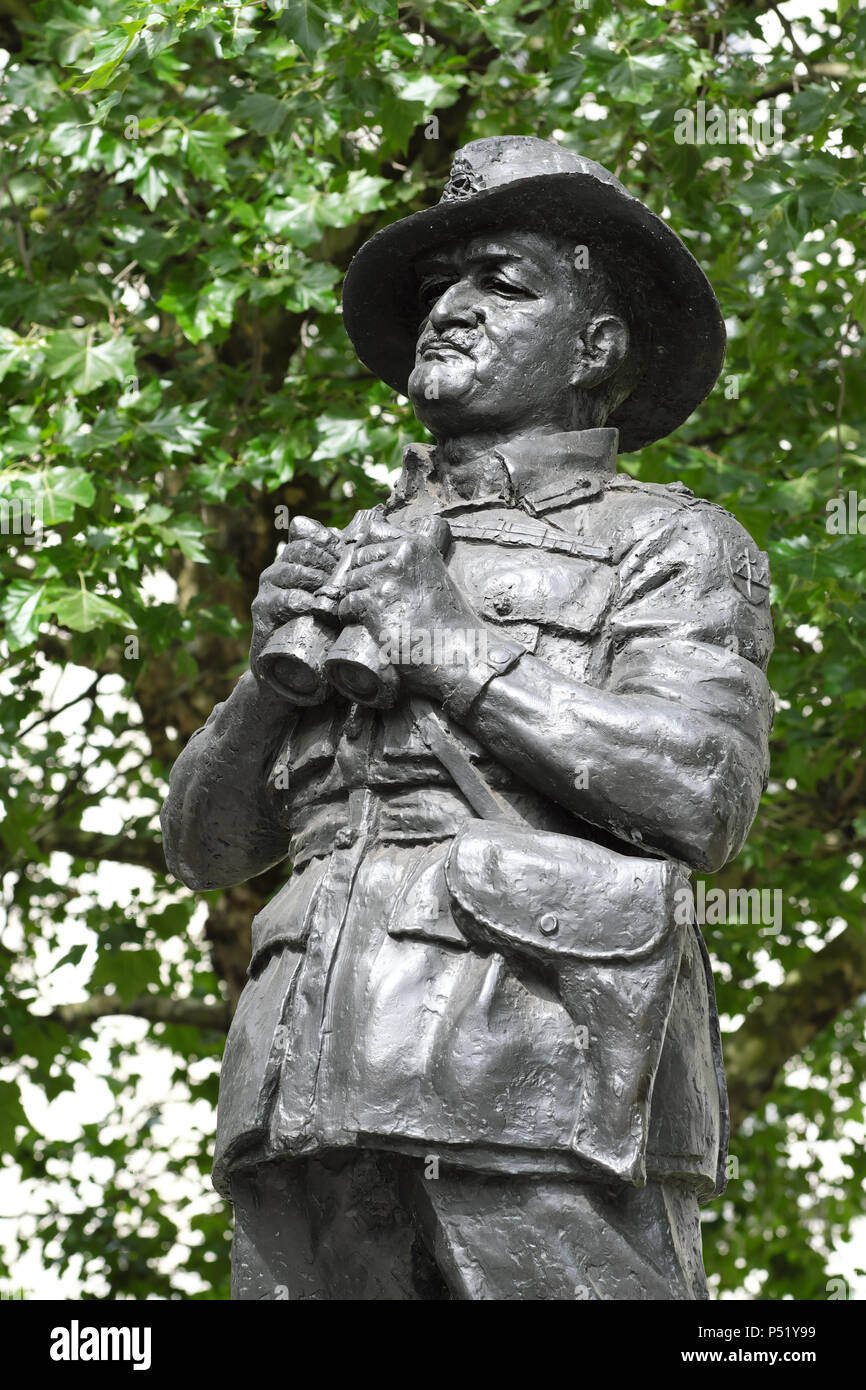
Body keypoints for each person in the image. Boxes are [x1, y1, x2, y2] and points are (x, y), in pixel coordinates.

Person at [161, 136, 773, 1300]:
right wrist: (259, 681)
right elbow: (202, 847)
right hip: (305, 1103)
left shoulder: (671, 543)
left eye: (502, 280)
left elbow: (700, 792)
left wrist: (443, 639)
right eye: (443, 282)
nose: (449, 305)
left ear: (595, 347)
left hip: (543, 1092)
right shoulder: (353, 553)